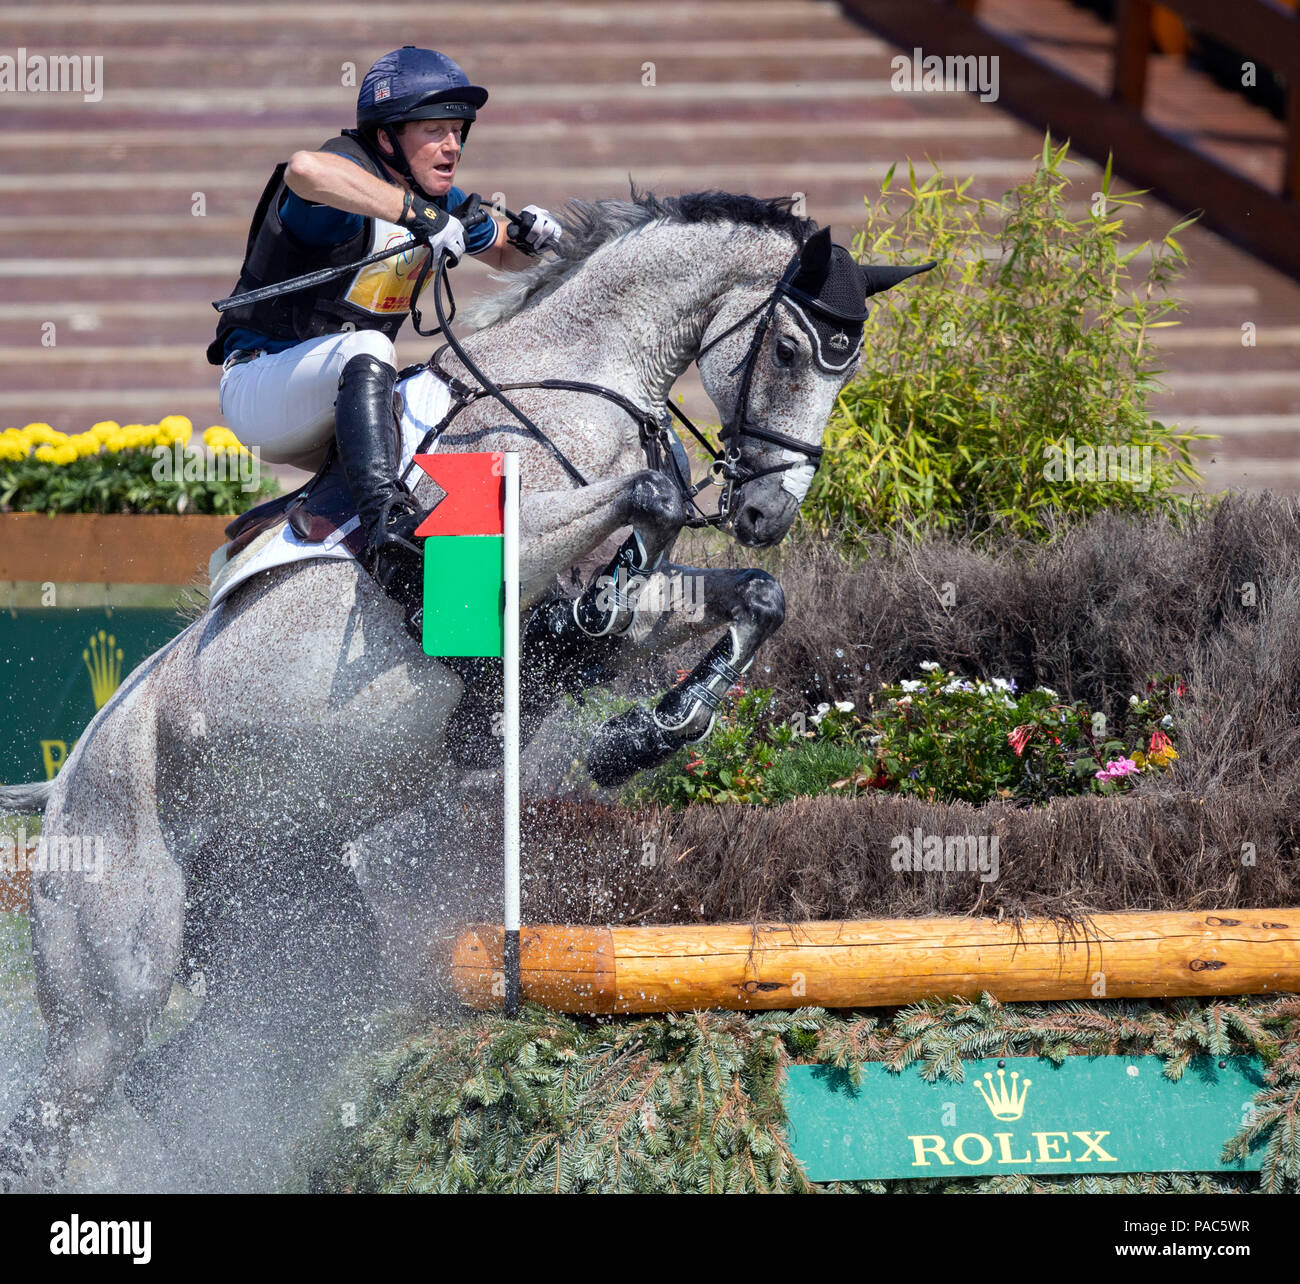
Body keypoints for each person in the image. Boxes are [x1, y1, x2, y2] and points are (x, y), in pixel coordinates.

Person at [208, 46, 562, 616]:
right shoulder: (344, 186)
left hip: (339, 398)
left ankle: (464, 622)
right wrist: (423, 217)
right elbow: (305, 170)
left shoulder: (439, 201)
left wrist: (549, 248)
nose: (453, 146)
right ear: (386, 138)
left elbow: (505, 253)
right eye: (434, 130)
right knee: (371, 345)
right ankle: (387, 541)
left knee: (455, 410)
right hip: (263, 389)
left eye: (458, 131)